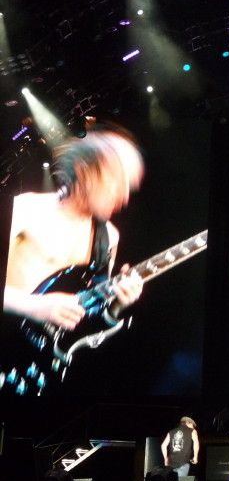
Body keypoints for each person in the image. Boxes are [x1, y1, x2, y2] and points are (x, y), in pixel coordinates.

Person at [4, 129, 144, 335]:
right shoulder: (26, 208)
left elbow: (90, 318)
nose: (124, 197)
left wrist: (117, 305)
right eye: (117, 181)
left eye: (128, 187)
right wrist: (32, 306)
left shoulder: (109, 238)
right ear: (83, 169)